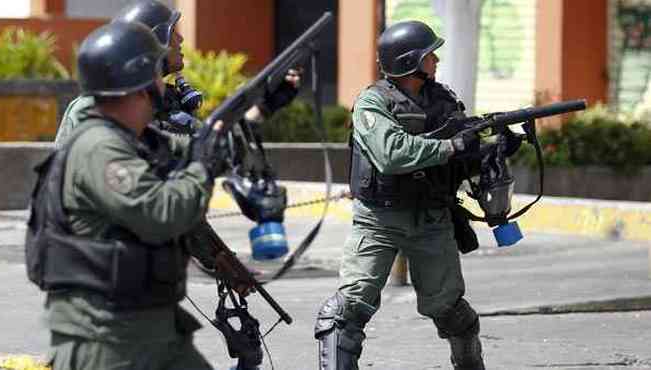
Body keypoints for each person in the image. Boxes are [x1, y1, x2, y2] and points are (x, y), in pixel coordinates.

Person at [28, 21, 230, 369]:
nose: (181, 41)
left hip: (144, 319)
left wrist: (252, 117)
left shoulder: (148, 116)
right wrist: (201, 168)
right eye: (171, 37)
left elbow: (175, 176)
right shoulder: (99, 135)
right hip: (104, 326)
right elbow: (156, 204)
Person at [314, 21, 487, 370]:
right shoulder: (372, 103)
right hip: (379, 219)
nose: (436, 59)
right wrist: (450, 146)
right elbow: (391, 153)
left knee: (453, 314)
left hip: (431, 217)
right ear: (411, 62)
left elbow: (461, 155)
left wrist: (490, 150)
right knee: (344, 314)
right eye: (429, 54)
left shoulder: (444, 100)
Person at [54, 0, 299, 145]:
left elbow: (208, 146)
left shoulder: (165, 102)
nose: (180, 39)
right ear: (153, 41)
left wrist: (263, 107)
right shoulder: (96, 107)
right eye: (173, 32)